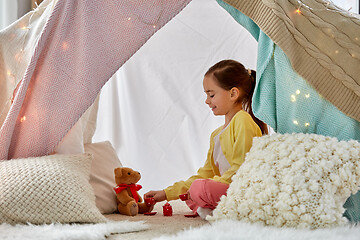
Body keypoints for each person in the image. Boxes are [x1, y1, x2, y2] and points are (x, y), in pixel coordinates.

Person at [144, 59, 268, 219]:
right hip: (224, 190)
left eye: (211, 95)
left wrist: (213, 185)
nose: (207, 101)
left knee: (198, 189)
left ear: (233, 94)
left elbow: (242, 168)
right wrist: (165, 193)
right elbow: (205, 173)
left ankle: (216, 208)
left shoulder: (242, 120)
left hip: (243, 190)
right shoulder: (216, 135)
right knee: (193, 191)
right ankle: (212, 209)